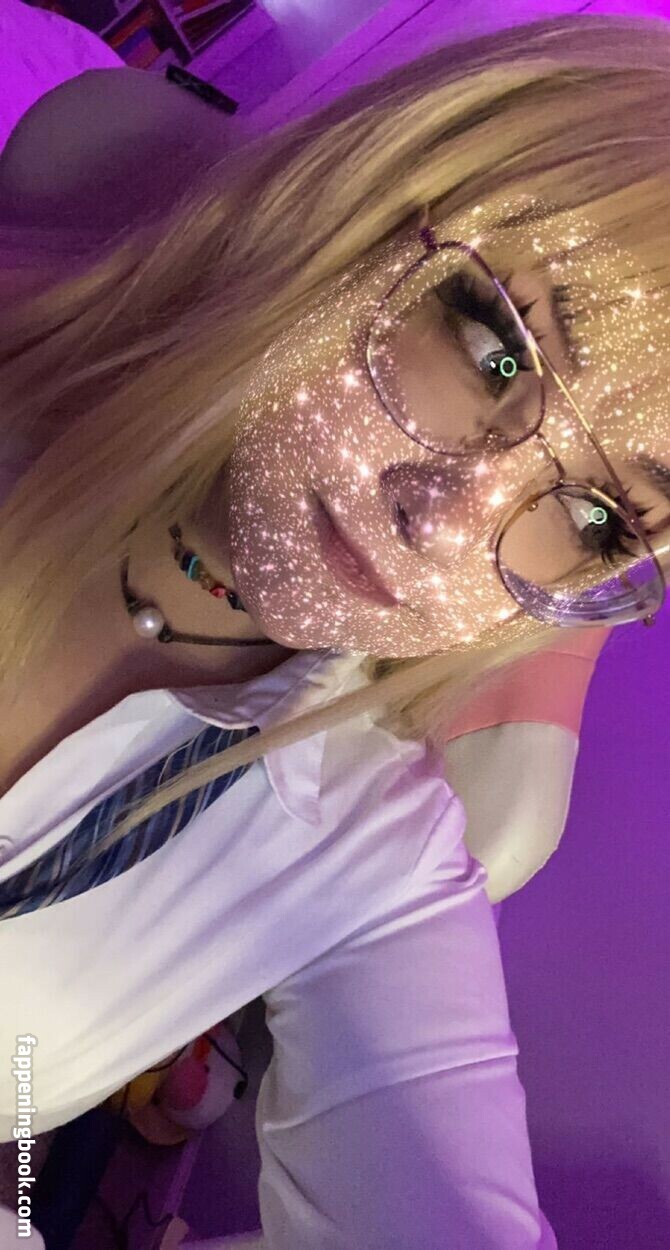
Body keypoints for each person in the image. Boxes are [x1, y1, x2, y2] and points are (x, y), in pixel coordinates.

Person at [1, 11, 669, 1248]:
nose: (449, 516)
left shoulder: (377, 858)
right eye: (493, 346)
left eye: (593, 516)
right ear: (368, 188)